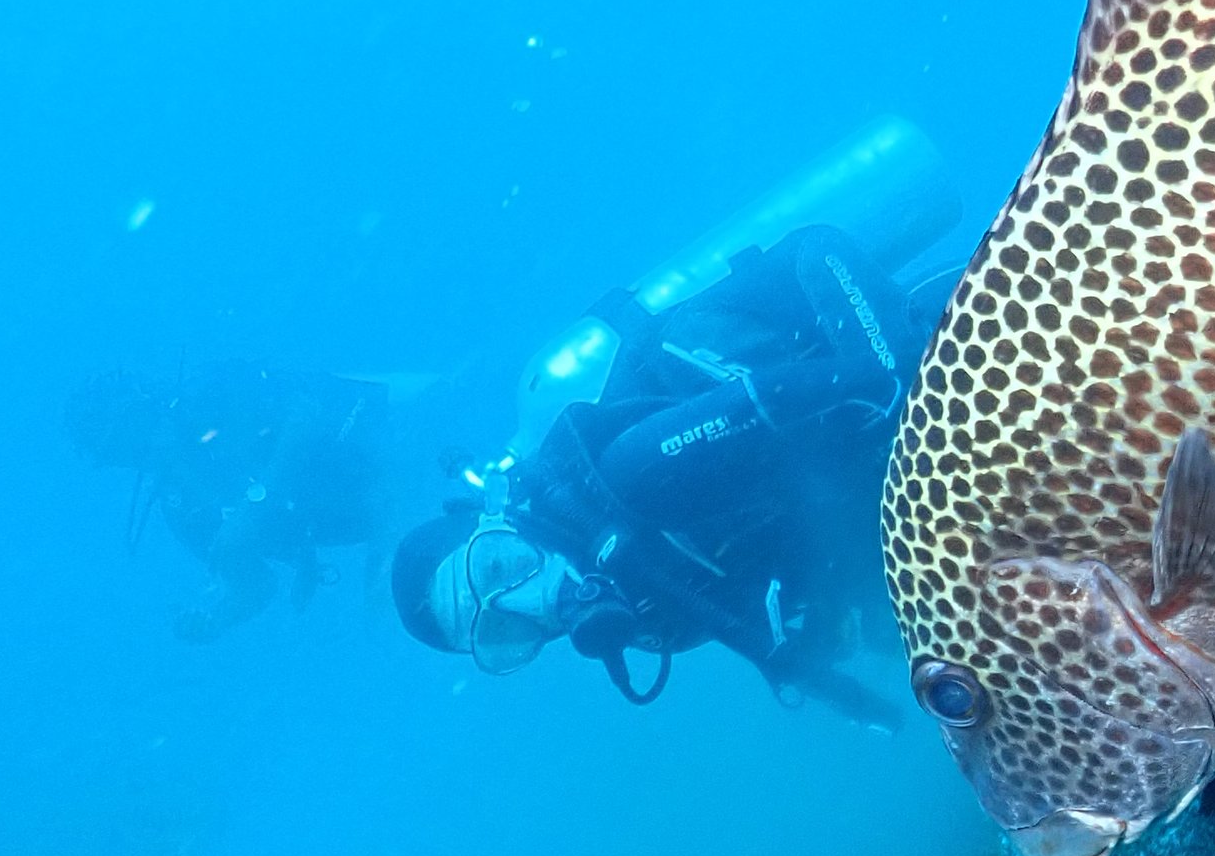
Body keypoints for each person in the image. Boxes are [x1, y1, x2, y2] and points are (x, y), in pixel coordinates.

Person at [391, 221, 932, 723]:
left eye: (499, 567)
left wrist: (915, 389)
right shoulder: (649, 606)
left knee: (922, 379)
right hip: (873, 468)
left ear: (501, 522)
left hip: (872, 341)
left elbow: (769, 400)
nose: (530, 601)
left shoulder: (629, 476)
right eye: (505, 631)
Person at [69, 363, 394, 641]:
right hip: (365, 519)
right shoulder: (184, 511)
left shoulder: (213, 397)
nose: (134, 457)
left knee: (385, 605)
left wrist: (252, 508)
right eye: (117, 456)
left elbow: (303, 417)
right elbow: (255, 585)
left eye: (126, 440)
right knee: (385, 615)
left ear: (141, 410)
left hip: (387, 460)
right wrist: (213, 620)